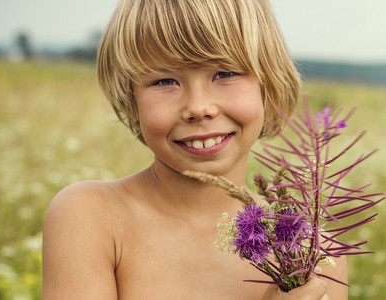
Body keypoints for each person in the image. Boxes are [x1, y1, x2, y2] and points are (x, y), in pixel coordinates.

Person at [42, 0, 348, 299]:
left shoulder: (312, 253)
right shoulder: (90, 216)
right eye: (165, 81)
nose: (199, 108)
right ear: (130, 98)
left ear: (267, 85)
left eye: (225, 73)